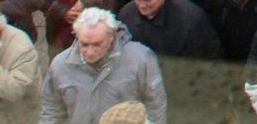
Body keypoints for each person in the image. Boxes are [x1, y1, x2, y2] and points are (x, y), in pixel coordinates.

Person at [39, 9, 167, 124]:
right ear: (77, 36)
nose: (90, 51)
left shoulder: (140, 58)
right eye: (84, 44)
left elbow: (156, 106)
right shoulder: (60, 65)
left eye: (97, 44)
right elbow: (50, 113)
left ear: (112, 36)